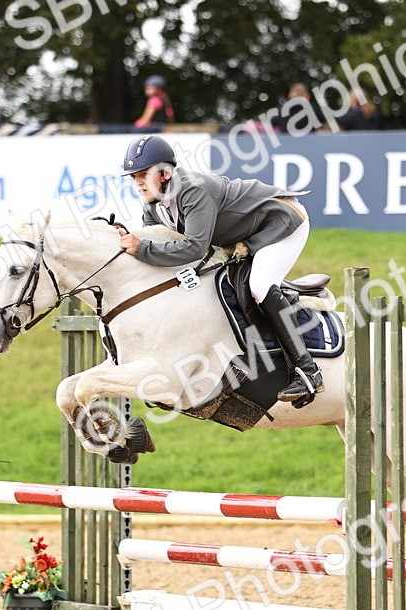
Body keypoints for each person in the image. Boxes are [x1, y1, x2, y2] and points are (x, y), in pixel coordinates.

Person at [116, 134, 323, 407]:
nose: (137, 182)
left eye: (143, 174)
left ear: (165, 174)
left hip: (282, 222)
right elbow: (158, 244)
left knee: (260, 285)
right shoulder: (153, 204)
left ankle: (308, 371)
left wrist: (141, 249)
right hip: (245, 233)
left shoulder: (191, 190)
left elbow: (194, 249)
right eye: (133, 177)